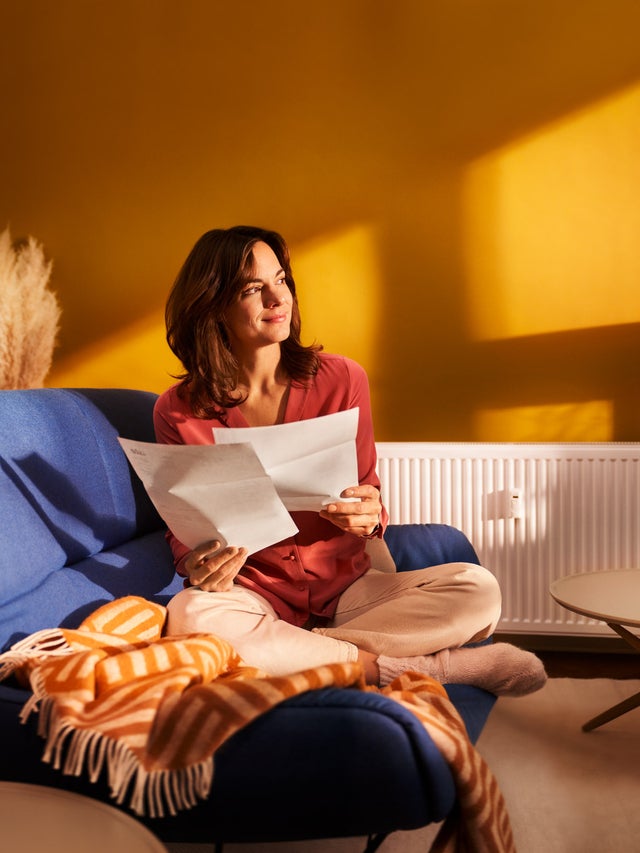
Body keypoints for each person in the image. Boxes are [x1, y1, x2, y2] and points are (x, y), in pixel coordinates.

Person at [154, 225, 546, 695]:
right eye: (253, 289)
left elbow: (367, 488)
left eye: (281, 280)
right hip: (253, 593)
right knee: (190, 615)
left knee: (478, 589)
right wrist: (196, 565)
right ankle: (438, 670)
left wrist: (369, 514)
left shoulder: (340, 379)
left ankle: (300, 653)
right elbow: (183, 527)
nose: (277, 299)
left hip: (350, 590)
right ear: (214, 306)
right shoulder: (177, 409)